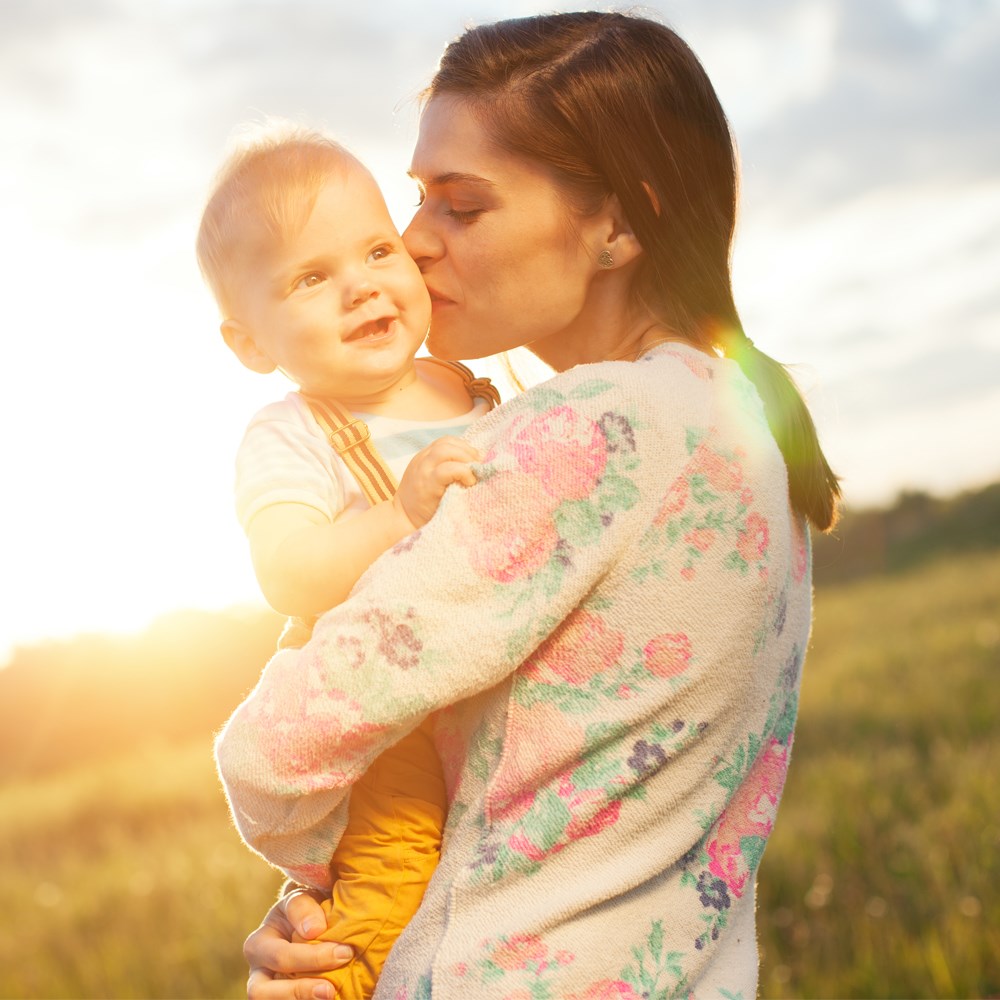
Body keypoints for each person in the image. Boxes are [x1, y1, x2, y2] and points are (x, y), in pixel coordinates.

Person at [216, 11, 841, 1000]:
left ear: (618, 226)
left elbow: (269, 750)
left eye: (461, 207)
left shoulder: (588, 432)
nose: (412, 244)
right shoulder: (738, 421)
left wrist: (330, 887)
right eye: (418, 199)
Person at [196, 124, 499, 999]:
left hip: (487, 672)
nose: (359, 285)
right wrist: (395, 513)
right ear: (252, 344)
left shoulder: (471, 381)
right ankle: (347, 983)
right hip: (384, 713)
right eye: (310, 277)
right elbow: (287, 571)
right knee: (397, 867)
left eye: (375, 249)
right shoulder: (296, 433)